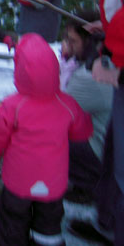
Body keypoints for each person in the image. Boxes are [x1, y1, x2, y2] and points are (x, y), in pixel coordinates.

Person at [0, 33, 93, 246]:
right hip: (53, 183)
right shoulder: (67, 105)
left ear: (20, 70)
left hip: (18, 183)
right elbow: (82, 132)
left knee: (12, 223)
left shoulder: (12, 106)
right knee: (49, 225)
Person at [68, 0, 124, 244]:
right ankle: (108, 220)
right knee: (114, 158)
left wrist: (113, 49)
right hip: (115, 48)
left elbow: (64, 100)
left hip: (119, 61)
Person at [58, 13, 113, 203]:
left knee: (48, 136)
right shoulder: (109, 60)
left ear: (90, 40)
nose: (67, 45)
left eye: (72, 40)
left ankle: (91, 185)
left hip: (104, 155)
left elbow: (55, 111)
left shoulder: (89, 75)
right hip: (111, 147)